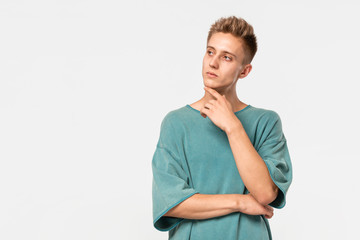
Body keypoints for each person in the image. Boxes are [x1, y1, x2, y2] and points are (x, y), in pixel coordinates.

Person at [151, 16, 292, 240]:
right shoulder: (176, 123)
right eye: (210, 52)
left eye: (226, 57)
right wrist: (240, 202)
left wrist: (233, 126)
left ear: (244, 71)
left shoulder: (266, 122)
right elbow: (170, 204)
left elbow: (265, 193)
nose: (213, 63)